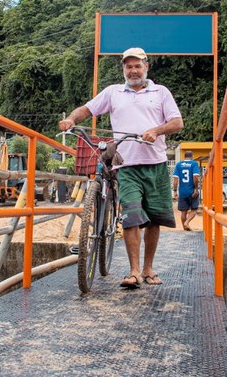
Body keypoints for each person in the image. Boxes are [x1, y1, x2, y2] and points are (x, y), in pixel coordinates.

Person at [59, 47, 184, 289]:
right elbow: (87, 109)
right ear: (123, 69)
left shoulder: (161, 92)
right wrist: (71, 120)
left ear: (146, 66)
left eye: (138, 65)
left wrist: (156, 130)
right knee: (131, 218)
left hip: (156, 165)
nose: (133, 70)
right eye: (129, 66)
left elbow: (177, 122)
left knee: (155, 219)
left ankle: (148, 268)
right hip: (127, 166)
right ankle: (134, 271)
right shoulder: (113, 92)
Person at [172, 150, 202, 231]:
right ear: (192, 156)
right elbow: (195, 177)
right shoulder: (194, 163)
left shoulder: (178, 164)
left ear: (184, 157)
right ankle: (187, 223)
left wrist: (175, 191)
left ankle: (184, 228)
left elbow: (175, 179)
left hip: (182, 192)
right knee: (194, 210)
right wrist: (196, 189)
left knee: (183, 212)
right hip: (192, 191)